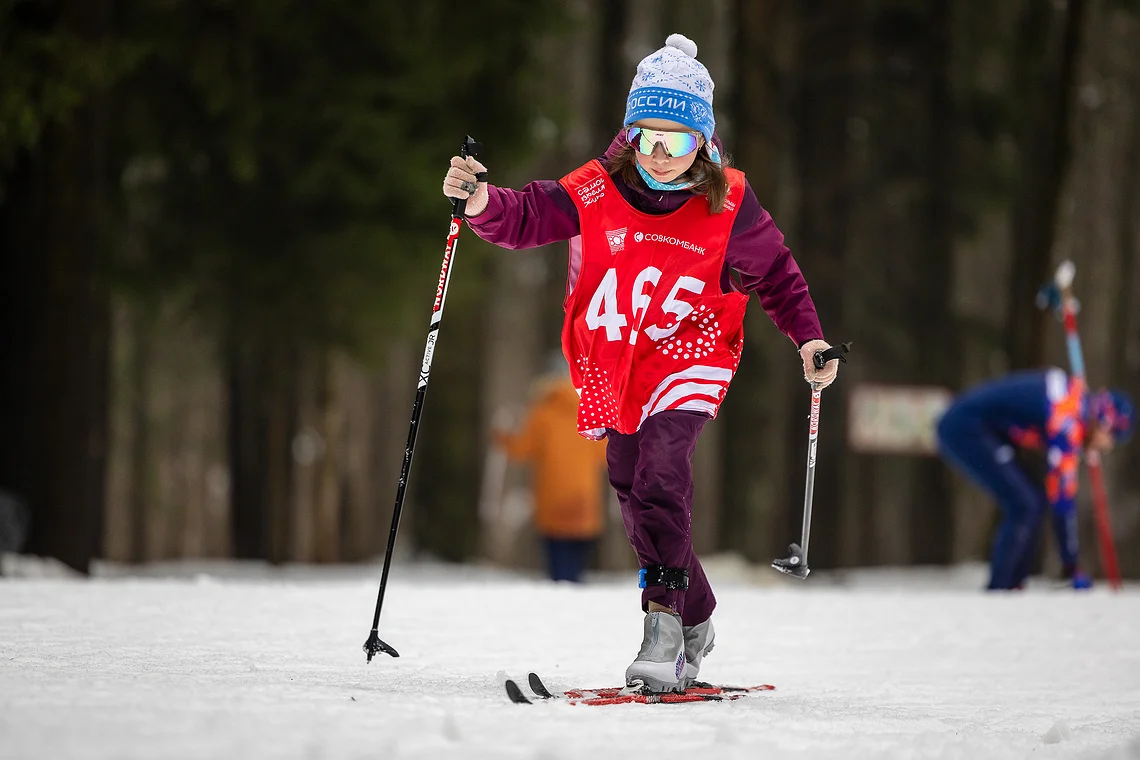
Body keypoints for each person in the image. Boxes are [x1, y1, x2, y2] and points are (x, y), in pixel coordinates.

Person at [442, 34, 841, 693]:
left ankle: (662, 622)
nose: (659, 155)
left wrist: (809, 339)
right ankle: (699, 612)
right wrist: (481, 202)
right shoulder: (597, 190)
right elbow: (530, 215)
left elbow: (778, 275)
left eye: (677, 141)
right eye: (648, 138)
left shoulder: (729, 203)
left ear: (705, 145)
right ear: (630, 135)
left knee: (660, 469)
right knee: (630, 484)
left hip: (693, 352)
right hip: (620, 357)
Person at [936, 367, 1134, 591]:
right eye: (1109, 438)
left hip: (983, 428)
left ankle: (1013, 582)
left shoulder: (1073, 401)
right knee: (1024, 503)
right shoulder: (1067, 421)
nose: (1104, 448)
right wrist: (1071, 566)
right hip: (965, 427)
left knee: (1032, 502)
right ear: (1103, 423)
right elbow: (1062, 500)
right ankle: (1001, 586)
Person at [494, 354, 608, 583]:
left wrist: (502, 436)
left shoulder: (541, 412)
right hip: (583, 499)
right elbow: (605, 456)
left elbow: (521, 450)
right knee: (577, 568)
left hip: (552, 499)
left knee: (558, 570)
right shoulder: (592, 413)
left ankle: (561, 605)